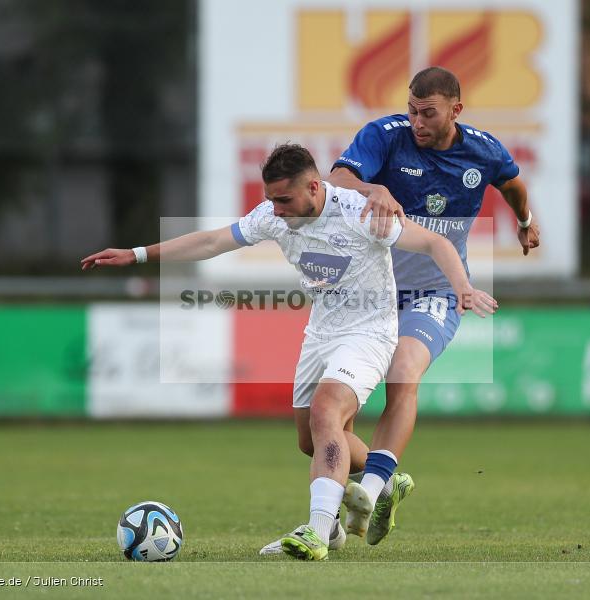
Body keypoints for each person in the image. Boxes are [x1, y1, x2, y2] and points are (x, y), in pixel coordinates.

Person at [81, 143, 497, 561]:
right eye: (270, 200)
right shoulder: (274, 217)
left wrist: (462, 287)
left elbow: (435, 244)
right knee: (311, 441)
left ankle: (318, 533)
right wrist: (136, 254)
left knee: (325, 412)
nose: (276, 210)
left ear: (315, 188)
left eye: (284, 199)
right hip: (320, 332)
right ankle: (385, 479)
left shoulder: (360, 214)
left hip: (370, 332)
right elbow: (211, 241)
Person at [324, 66, 541, 545]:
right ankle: (348, 508)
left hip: (435, 293)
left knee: (404, 369)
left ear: (455, 110)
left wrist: (525, 220)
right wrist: (371, 187)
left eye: (428, 112)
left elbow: (512, 184)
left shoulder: (483, 150)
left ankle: (373, 488)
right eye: (412, 110)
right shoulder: (385, 135)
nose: (417, 121)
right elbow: (338, 177)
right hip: (368, 294)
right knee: (332, 414)